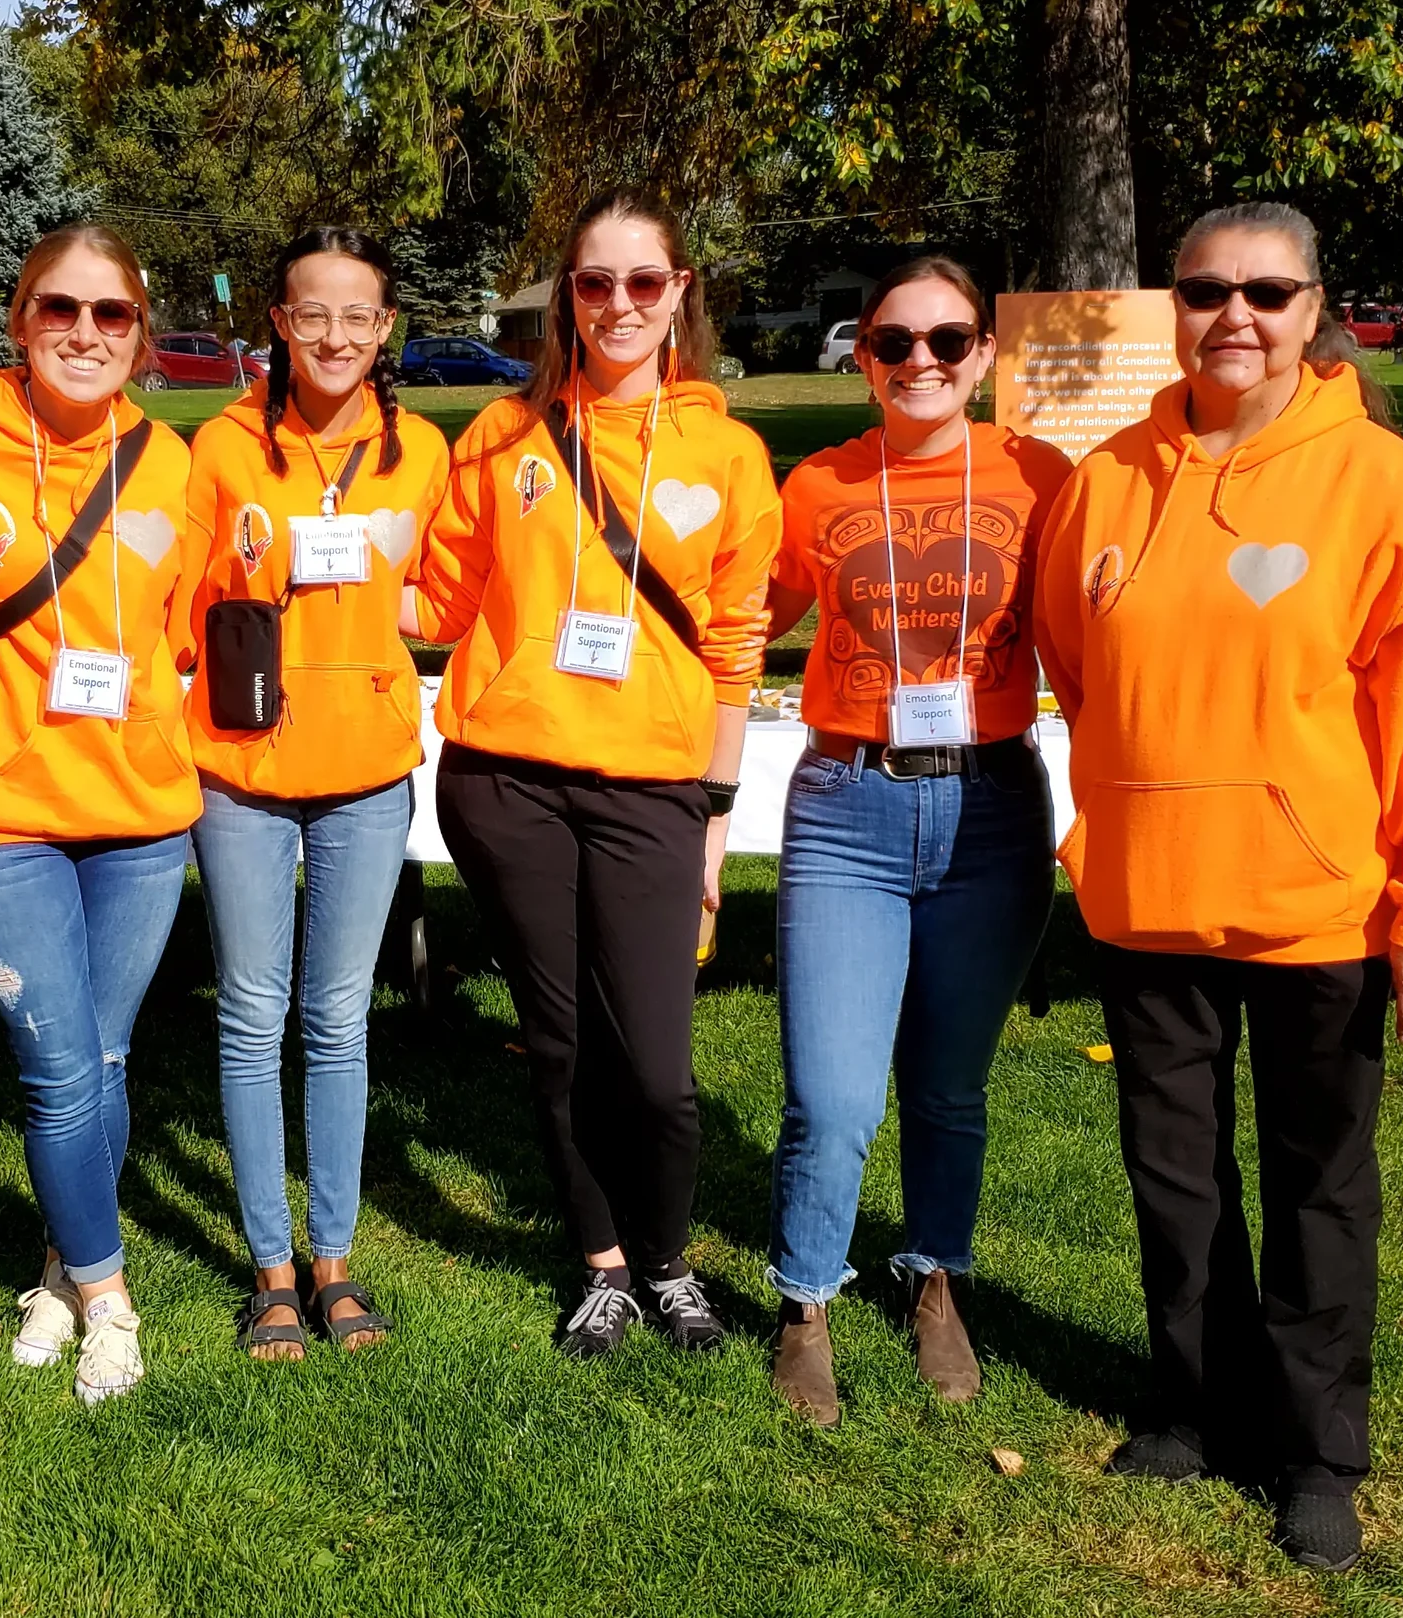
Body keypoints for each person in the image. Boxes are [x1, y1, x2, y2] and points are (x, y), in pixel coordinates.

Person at [1034, 201, 1403, 1572]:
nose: (1232, 315)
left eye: (1266, 291)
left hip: (1321, 908)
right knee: (1174, 1183)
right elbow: (1076, 659)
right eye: (1204, 290)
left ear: (1313, 309)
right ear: (1171, 306)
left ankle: (1317, 1451)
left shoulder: (1376, 480)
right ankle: (1192, 1404)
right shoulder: (1107, 474)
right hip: (1146, 895)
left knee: (1319, 1188)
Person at [415, 187, 781, 1357]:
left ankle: (670, 1257)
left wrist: (716, 812)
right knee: (562, 1038)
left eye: (640, 281)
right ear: (566, 297)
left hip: (652, 791)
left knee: (659, 1065)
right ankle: (604, 1264)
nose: (616, 303)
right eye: (592, 282)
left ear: (679, 293)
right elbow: (436, 596)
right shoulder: (501, 434)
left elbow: (734, 643)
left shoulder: (726, 452)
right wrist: (321, 570)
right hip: (505, 779)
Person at [0, 224, 198, 1407]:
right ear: (19, 320)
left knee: (104, 1057)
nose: (83, 332)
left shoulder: (171, 463)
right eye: (59, 309)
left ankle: (63, 1267)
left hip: (140, 814)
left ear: (139, 332)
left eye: (110, 314)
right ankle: (112, 1297)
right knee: (60, 1069)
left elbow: (180, 622)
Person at [759, 256, 1071, 1426]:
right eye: (896, 343)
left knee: (947, 1086)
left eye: (948, 340)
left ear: (984, 352)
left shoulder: (1041, 477)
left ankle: (936, 1274)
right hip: (848, 802)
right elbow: (740, 612)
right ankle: (805, 1298)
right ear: (863, 357)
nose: (922, 363)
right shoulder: (821, 482)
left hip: (991, 805)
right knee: (831, 1096)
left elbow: (1098, 628)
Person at [177, 226, 451, 1360]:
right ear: (278, 325)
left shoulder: (422, 451)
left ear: (384, 329)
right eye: (313, 313)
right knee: (251, 1014)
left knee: (338, 1018)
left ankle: (333, 1257)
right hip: (242, 767)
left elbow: (450, 593)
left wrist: (392, 607)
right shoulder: (223, 448)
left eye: (359, 315)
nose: (336, 335)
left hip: (366, 776)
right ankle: (270, 1267)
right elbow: (180, 598)